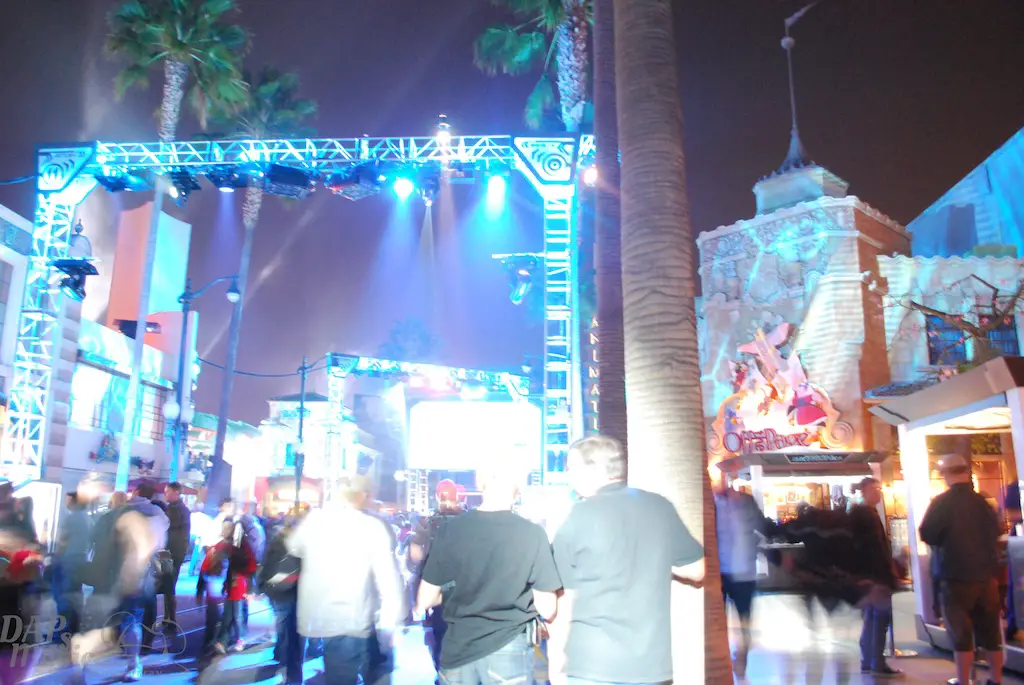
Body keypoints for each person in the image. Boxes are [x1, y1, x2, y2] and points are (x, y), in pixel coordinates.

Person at [548, 435, 705, 685]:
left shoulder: (578, 516)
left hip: (592, 664)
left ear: (590, 469)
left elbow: (565, 601)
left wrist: (556, 661)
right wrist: (653, 559)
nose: (569, 475)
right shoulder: (659, 507)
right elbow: (697, 569)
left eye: (571, 468)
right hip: (651, 667)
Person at [415, 461, 561, 685]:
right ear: (518, 487)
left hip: (458, 650)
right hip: (509, 649)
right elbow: (548, 609)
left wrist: (457, 592)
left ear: (479, 483)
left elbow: (425, 599)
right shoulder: (532, 534)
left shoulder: (450, 530)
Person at [287, 475, 404, 685]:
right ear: (362, 496)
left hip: (319, 615)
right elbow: (387, 579)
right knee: (357, 673)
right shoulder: (371, 526)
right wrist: (390, 620)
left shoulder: (316, 520)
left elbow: (294, 546)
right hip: (352, 616)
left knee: (340, 672)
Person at [920, 454, 1003, 685]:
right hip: (986, 577)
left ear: (946, 474)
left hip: (954, 576)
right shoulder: (983, 503)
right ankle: (996, 679)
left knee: (960, 633)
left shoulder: (942, 503)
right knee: (991, 633)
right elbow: (996, 531)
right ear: (966, 471)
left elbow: (927, 533)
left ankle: (964, 680)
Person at [78, 482, 168, 682]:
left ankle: (86, 665)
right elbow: (163, 552)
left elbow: (101, 547)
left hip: (114, 577)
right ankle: (134, 663)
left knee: (99, 618)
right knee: (132, 620)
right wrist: (161, 576)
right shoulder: (159, 517)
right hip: (140, 579)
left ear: (135, 493)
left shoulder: (118, 516)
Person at [715, 478, 773, 677]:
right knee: (721, 620)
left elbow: (762, 528)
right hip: (721, 572)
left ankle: (741, 660)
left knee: (744, 619)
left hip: (743, 571)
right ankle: (724, 660)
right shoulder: (714, 504)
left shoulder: (746, 502)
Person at [409, 481, 463, 678]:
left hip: (437, 586)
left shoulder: (427, 523)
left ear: (437, 497)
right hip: (464, 585)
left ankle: (442, 671)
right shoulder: (469, 521)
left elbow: (415, 554)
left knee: (439, 630)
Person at [849, 477, 902, 678]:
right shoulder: (867, 516)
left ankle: (868, 659)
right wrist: (888, 573)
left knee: (871, 617)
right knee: (879, 618)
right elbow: (875, 549)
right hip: (875, 576)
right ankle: (876, 661)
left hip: (867, 576)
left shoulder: (862, 514)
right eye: (874, 489)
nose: (878, 492)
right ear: (864, 491)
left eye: (879, 488)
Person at [259, 513, 306, 685]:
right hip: (298, 592)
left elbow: (267, 563)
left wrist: (263, 585)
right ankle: (293, 673)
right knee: (296, 633)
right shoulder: (304, 543)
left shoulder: (277, 540)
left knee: (282, 621)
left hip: (279, 589)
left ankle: (280, 653)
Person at [201, 519, 257, 654]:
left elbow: (249, 568)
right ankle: (222, 641)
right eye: (224, 528)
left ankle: (235, 639)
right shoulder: (222, 545)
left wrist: (250, 590)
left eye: (228, 528)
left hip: (238, 586)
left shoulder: (240, 546)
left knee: (236, 615)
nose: (225, 530)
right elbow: (209, 563)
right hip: (229, 586)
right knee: (227, 615)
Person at [54, 491, 92, 640]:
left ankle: (61, 632)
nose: (67, 503)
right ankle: (75, 628)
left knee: (65, 596)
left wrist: (56, 557)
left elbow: (63, 541)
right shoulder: (88, 519)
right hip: (82, 559)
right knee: (76, 594)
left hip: (69, 559)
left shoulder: (71, 518)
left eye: (68, 500)